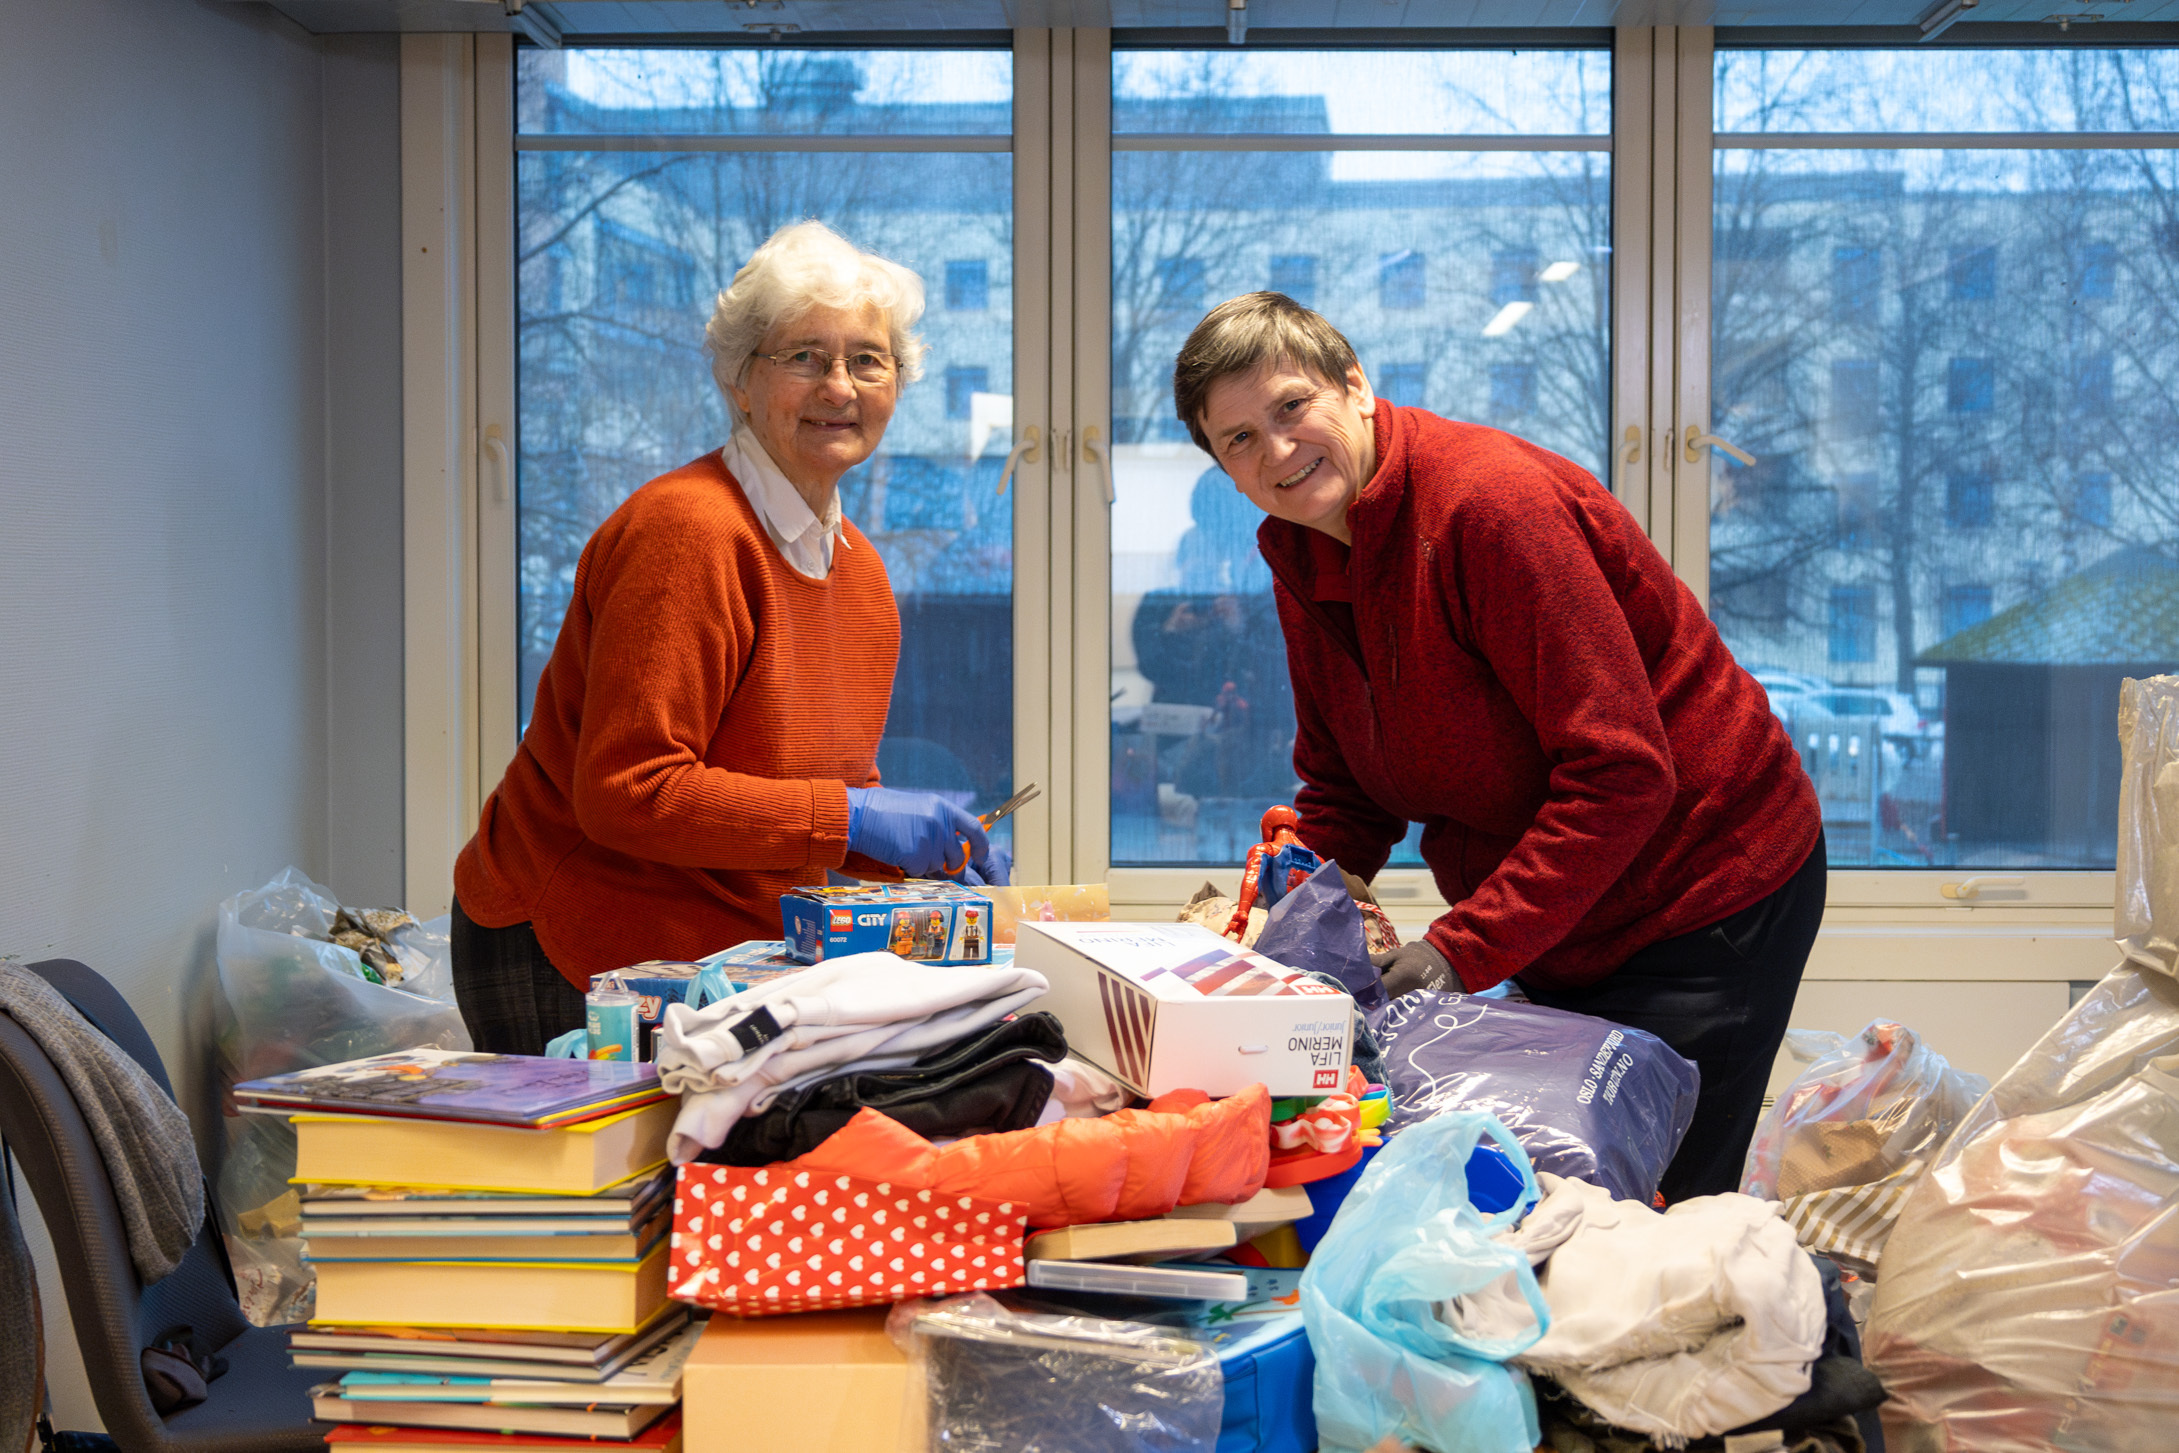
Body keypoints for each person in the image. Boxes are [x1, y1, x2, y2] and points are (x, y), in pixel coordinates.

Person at [1172, 292, 1824, 1200]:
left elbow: (1622, 772)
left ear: (1355, 387)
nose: (1276, 449)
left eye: (1291, 406)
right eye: (1237, 438)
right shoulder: (1304, 548)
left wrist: (1458, 949)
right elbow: (1347, 789)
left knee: (1646, 1212)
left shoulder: (1488, 509)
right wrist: (1278, 928)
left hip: (1701, 887)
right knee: (1556, 1190)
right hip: (1565, 904)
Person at [450, 221, 1006, 1056]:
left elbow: (805, 814)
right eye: (803, 357)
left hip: (717, 951)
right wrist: (853, 815)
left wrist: (916, 870)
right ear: (739, 381)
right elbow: (630, 791)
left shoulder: (860, 575)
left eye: (867, 359)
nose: (840, 386)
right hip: (575, 941)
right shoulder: (690, 531)